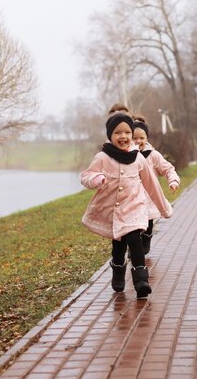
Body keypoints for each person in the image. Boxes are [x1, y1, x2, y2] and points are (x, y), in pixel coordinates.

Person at [80, 113, 172, 298]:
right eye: (117, 132)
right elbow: (85, 176)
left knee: (135, 239)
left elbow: (151, 184)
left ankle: (141, 280)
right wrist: (96, 179)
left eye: (127, 132)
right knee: (119, 245)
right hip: (113, 210)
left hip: (135, 207)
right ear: (110, 135)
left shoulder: (138, 158)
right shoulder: (102, 157)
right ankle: (118, 270)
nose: (123, 136)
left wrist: (163, 208)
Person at [132, 115, 180, 254]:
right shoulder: (127, 156)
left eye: (142, 138)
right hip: (132, 197)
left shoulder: (153, 155)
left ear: (147, 139)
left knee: (148, 222)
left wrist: (173, 181)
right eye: (135, 138)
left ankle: (146, 238)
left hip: (149, 196)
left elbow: (168, 169)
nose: (138, 141)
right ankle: (134, 246)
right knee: (133, 225)